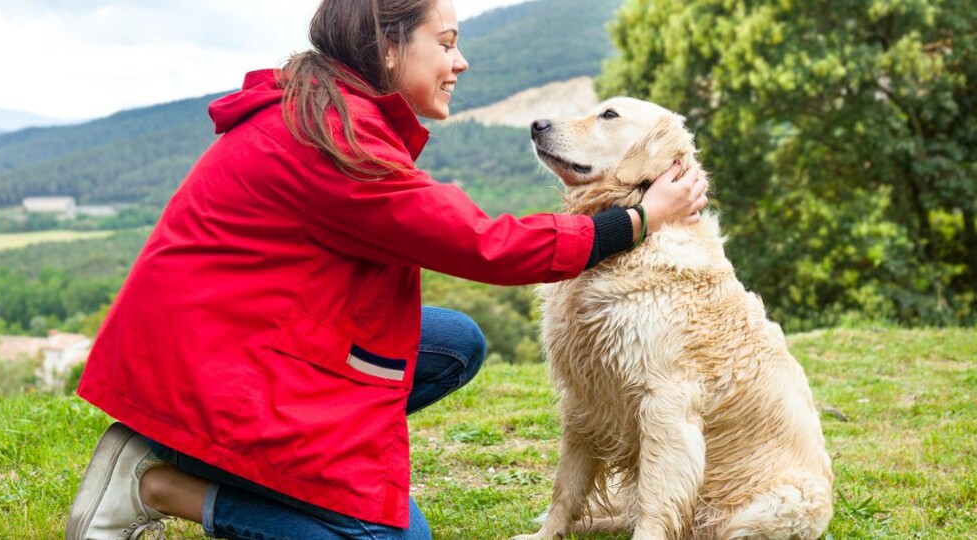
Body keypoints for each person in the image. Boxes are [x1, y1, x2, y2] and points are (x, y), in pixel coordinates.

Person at [64, 0, 709, 539]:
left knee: (455, 343)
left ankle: (264, 467)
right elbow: (484, 245)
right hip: (203, 379)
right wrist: (639, 219)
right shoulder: (334, 145)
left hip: (225, 343)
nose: (461, 62)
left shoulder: (326, 111)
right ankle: (158, 482)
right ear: (389, 47)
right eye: (447, 42)